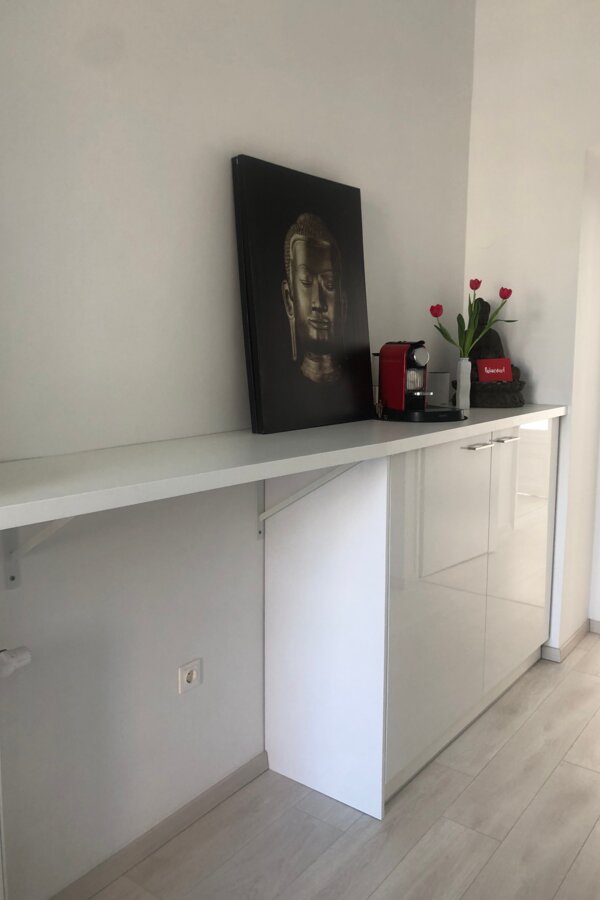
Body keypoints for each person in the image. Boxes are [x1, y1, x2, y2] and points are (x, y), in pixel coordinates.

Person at [281, 213, 347, 385]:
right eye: (306, 281)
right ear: (289, 299)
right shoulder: (279, 385)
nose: (319, 303)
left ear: (343, 304)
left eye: (329, 284)